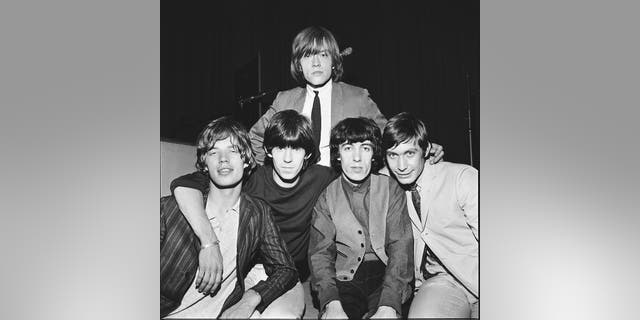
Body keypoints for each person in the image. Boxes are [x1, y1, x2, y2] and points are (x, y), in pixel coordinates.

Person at [169, 110, 340, 317]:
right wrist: (208, 241)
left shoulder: (320, 178)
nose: (287, 158)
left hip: (287, 272)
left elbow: (356, 176)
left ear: (308, 154)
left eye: (296, 148)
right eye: (279, 147)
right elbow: (184, 183)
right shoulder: (252, 175)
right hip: (243, 268)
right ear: (268, 151)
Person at [160, 116, 298, 318]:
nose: (223, 159)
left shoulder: (257, 213)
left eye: (233, 150)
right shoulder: (169, 209)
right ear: (204, 163)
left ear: (246, 160)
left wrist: (249, 300)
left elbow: (285, 268)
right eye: (213, 152)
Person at [248, 25, 444, 167]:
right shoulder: (284, 100)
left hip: (341, 188)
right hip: (296, 192)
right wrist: (268, 175)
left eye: (323, 55)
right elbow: (254, 139)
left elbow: (389, 137)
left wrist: (421, 148)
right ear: (299, 64)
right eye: (308, 56)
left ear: (334, 61)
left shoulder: (357, 97)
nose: (316, 63)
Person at [308, 117, 414, 319]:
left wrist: (390, 303)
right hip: (344, 278)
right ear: (337, 155)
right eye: (348, 148)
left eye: (365, 148)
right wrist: (330, 302)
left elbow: (401, 247)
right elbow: (320, 254)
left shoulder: (391, 189)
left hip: (386, 274)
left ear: (374, 154)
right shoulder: (326, 197)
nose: (357, 158)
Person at [382, 112, 479, 318]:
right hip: (440, 283)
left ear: (426, 149)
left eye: (409, 154)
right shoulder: (388, 185)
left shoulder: (462, 178)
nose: (401, 166)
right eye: (393, 155)